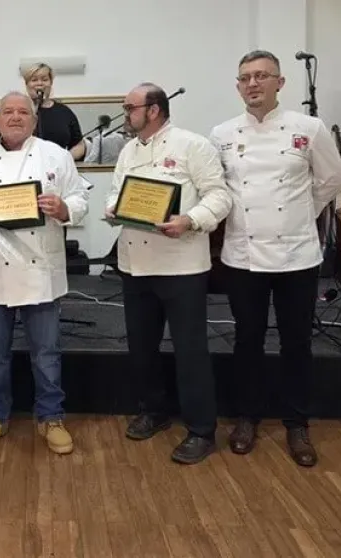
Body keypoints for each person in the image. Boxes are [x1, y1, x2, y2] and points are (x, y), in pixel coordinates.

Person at [210, 50, 341, 467]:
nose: (252, 84)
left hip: (296, 254)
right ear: (238, 86)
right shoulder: (221, 133)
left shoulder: (309, 128)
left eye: (261, 76)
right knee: (247, 339)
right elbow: (217, 188)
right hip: (243, 254)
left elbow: (332, 180)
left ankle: (297, 422)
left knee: (297, 341)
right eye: (245, 78)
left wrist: (300, 211)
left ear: (280, 83)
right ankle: (247, 417)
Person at [0, 91, 90, 454]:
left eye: (23, 112)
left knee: (46, 353)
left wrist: (64, 208)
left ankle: (51, 416)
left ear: (34, 120)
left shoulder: (56, 155)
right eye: (8, 112)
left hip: (40, 270)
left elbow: (80, 199)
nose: (15, 117)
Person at [105, 83, 232, 464]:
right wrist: (113, 209)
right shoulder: (128, 150)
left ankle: (201, 429)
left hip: (182, 266)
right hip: (135, 265)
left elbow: (220, 196)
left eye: (130, 107)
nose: (125, 114)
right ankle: (154, 410)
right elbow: (115, 193)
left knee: (190, 351)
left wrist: (190, 220)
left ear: (154, 110)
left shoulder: (193, 145)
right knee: (142, 347)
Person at [22, 63, 86, 161]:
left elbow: (79, 145)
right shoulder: (18, 110)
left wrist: (65, 159)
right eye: (34, 80)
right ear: (27, 84)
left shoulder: (64, 112)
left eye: (44, 79)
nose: (40, 83)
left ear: (51, 83)